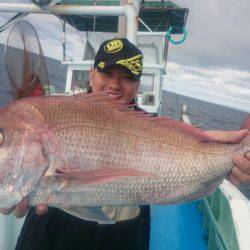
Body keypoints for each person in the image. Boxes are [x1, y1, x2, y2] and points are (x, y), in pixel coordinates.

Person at [0, 38, 250, 250]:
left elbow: (189, 158)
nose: (114, 85)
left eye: (127, 77)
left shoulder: (154, 128)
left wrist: (231, 160)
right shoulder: (56, 110)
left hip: (122, 238)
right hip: (51, 235)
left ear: (138, 86)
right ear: (91, 74)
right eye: (106, 73)